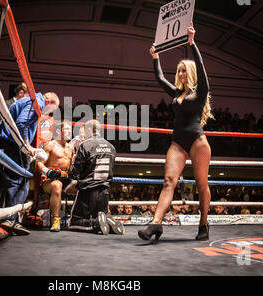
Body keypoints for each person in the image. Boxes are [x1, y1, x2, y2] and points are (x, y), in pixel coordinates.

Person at [138, 23, 213, 243]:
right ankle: (155, 224)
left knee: (201, 185)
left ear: (190, 73)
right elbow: (161, 79)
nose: (179, 73)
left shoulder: (200, 92)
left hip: (198, 142)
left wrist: (192, 44)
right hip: (178, 142)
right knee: (169, 181)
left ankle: (203, 223)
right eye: (178, 70)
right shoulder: (176, 93)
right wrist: (155, 57)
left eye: (183, 70)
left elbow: (202, 68)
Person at [0, 91, 59, 235]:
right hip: (12, 145)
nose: (49, 113)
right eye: (52, 110)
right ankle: (11, 220)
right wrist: (26, 145)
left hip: (1, 143)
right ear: (49, 102)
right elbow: (20, 123)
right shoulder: (36, 102)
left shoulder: (30, 100)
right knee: (21, 181)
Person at [68, 119, 124, 235]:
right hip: (104, 192)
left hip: (88, 190)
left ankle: (95, 223)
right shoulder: (111, 147)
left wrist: (71, 170)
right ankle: (107, 221)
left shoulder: (85, 145)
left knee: (74, 222)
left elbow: (76, 171)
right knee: (101, 214)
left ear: (89, 129)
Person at [36, 120, 75, 232]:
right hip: (49, 180)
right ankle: (56, 221)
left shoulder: (70, 148)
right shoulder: (50, 145)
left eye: (70, 129)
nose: (69, 131)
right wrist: (48, 172)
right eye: (66, 129)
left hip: (65, 179)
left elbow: (71, 167)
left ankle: (81, 219)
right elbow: (39, 163)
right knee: (57, 185)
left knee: (83, 186)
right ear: (59, 131)